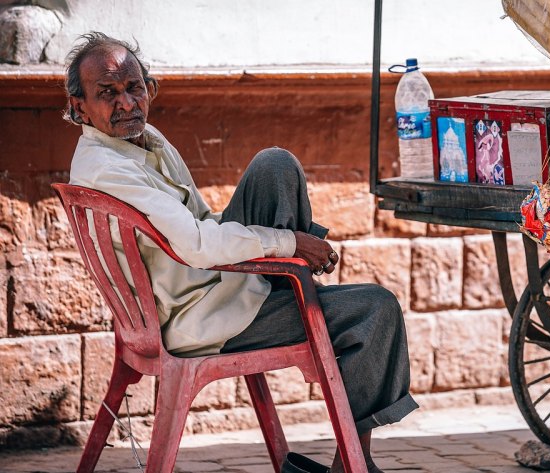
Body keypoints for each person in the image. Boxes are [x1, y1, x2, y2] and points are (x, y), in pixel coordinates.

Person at [63, 32, 416, 473]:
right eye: (107, 94)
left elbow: (203, 222)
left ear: (148, 88)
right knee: (374, 309)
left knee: (274, 165)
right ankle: (354, 462)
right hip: (203, 319)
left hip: (213, 285)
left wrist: (279, 245)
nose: (127, 104)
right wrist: (291, 243)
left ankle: (293, 285)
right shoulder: (108, 170)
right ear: (79, 108)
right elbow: (196, 245)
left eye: (134, 88)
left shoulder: (144, 140)